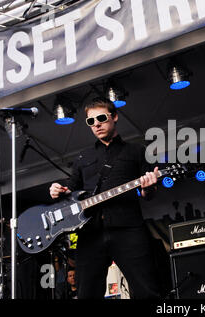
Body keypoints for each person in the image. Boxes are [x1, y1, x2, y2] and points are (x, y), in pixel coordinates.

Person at [49, 98, 161, 299]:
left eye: (101, 118)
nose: (97, 124)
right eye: (91, 121)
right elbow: (70, 191)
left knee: (147, 289)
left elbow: (148, 195)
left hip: (128, 229)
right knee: (87, 294)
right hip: (89, 233)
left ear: (115, 117)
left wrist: (149, 188)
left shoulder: (136, 151)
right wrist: (57, 190)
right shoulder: (83, 157)